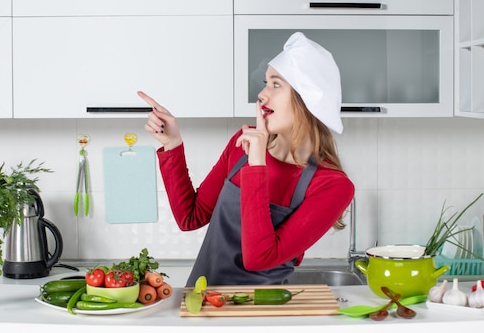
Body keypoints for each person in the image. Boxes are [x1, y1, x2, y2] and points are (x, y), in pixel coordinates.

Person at [138, 31, 354, 286]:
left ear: (306, 99)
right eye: (266, 83)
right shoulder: (242, 145)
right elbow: (190, 217)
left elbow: (259, 258)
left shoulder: (332, 185)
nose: (262, 94)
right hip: (203, 303)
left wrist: (257, 165)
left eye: (276, 84)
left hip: (262, 315)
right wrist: (172, 144)